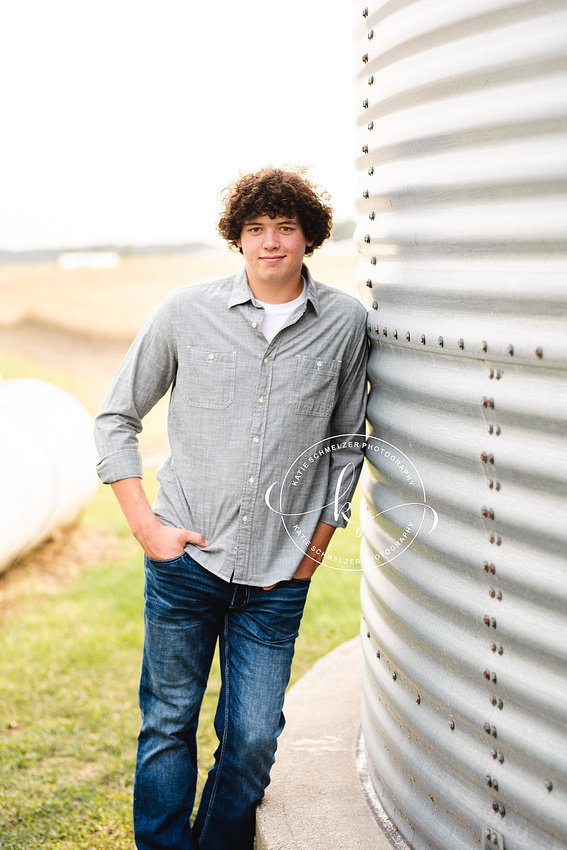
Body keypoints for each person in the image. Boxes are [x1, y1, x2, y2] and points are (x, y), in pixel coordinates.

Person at [93, 166, 368, 850]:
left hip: (278, 577)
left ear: (308, 238)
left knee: (250, 739)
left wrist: (314, 552)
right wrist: (146, 528)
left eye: (284, 227)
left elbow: (345, 444)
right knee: (168, 723)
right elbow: (115, 418)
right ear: (236, 239)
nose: (269, 241)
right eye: (255, 229)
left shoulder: (344, 323)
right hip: (188, 563)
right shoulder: (185, 312)